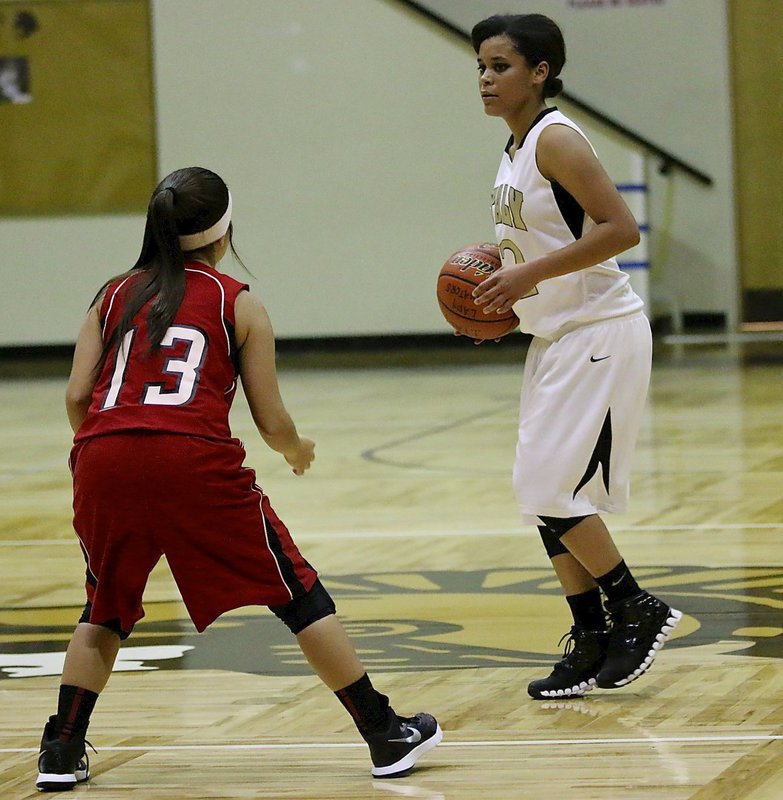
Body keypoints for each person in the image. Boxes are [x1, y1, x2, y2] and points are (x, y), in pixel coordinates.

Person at [35, 167, 441, 792]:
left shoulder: (111, 295)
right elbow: (272, 421)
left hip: (102, 455)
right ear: (224, 233)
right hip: (192, 459)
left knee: (104, 605)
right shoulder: (237, 300)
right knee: (297, 593)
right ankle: (384, 732)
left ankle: (61, 750)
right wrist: (298, 450)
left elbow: (77, 395)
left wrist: (107, 456)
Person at [469, 14, 682, 700]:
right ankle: (589, 633)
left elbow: (619, 229)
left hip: (599, 333)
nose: (484, 78)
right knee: (540, 497)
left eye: (499, 66)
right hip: (556, 334)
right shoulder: (513, 148)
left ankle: (637, 607)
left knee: (547, 491)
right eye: (479, 66)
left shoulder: (555, 139)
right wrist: (507, 298)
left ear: (539, 72)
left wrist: (528, 280)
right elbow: (538, 247)